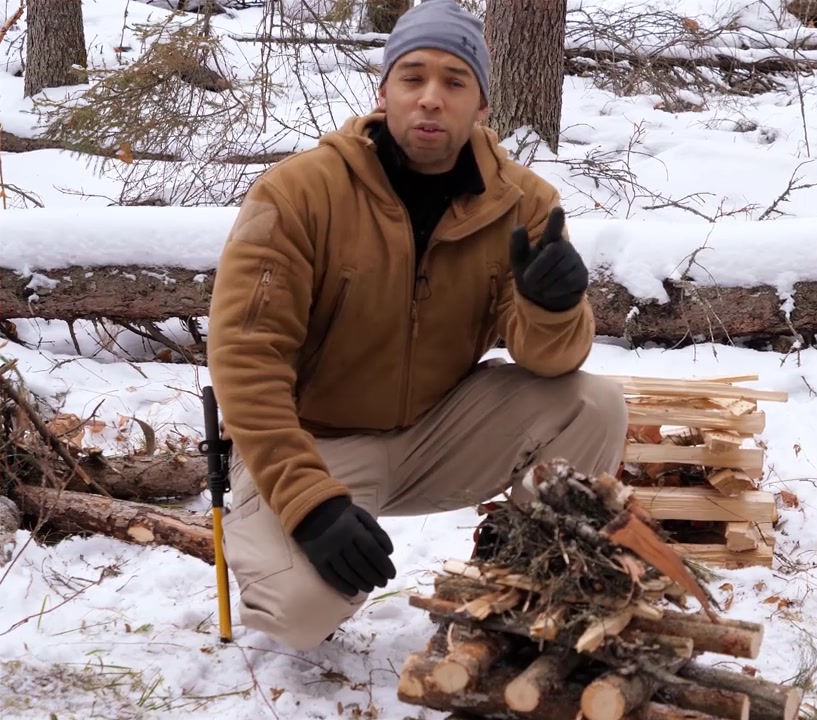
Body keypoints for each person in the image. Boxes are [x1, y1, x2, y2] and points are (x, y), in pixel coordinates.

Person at [205, 0, 628, 651]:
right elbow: (244, 358)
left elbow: (551, 362)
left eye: (454, 82)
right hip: (314, 443)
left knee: (594, 405)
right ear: (384, 92)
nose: (431, 98)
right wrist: (310, 503)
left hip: (436, 432)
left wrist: (555, 310)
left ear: (482, 104)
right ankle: (273, 536)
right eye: (414, 78)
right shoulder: (297, 194)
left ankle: (527, 585)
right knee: (300, 615)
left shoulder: (526, 205)